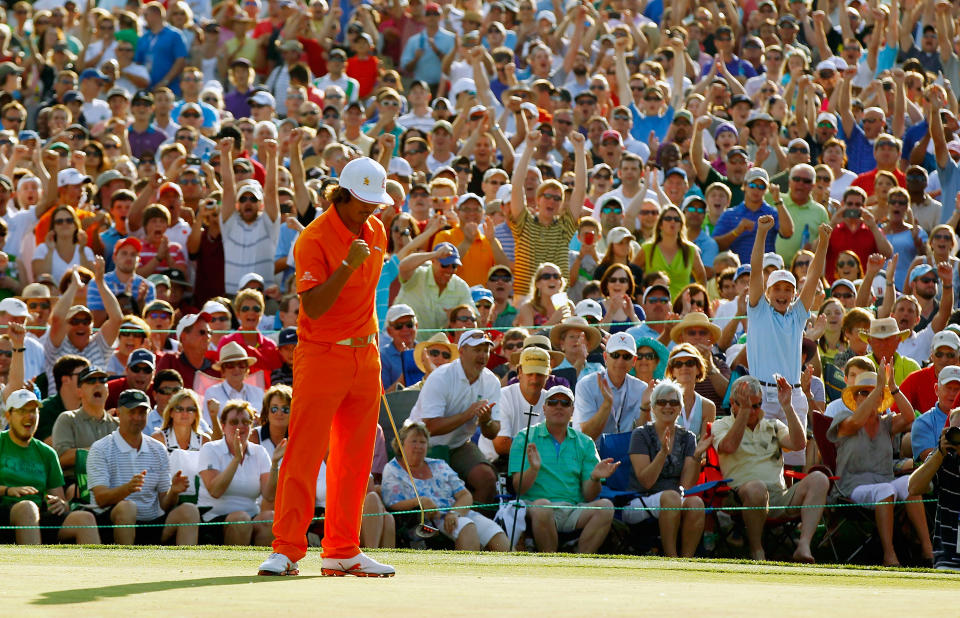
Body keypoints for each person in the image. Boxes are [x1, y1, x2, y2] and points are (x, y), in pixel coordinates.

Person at [261, 157, 395, 578]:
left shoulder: (376, 229)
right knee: (303, 454)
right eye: (362, 203)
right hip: (322, 354)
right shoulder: (313, 238)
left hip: (365, 355)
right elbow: (314, 307)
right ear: (341, 195)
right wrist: (346, 266)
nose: (370, 211)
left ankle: (342, 549)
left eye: (375, 203)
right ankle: (286, 550)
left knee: (354, 461)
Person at [714, 376, 829, 563]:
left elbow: (798, 444)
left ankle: (803, 545)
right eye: (746, 405)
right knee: (756, 488)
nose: (753, 411)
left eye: (757, 405)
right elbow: (729, 446)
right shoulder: (721, 425)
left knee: (819, 478)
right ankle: (757, 551)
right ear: (733, 404)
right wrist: (744, 413)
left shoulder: (772, 425)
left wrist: (787, 406)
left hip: (778, 495)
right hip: (741, 496)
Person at [746, 214, 831, 466]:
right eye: (777, 289)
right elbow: (755, 270)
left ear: (794, 293)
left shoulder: (797, 315)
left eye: (788, 289)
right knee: (759, 462)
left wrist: (823, 243)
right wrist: (761, 233)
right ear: (767, 292)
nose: (782, 293)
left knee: (794, 463)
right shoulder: (758, 309)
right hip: (759, 395)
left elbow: (814, 275)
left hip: (792, 396)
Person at [828, 365, 933, 567]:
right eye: (862, 393)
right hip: (852, 488)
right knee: (886, 489)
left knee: (912, 484)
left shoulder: (886, 423)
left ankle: (928, 551)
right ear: (855, 398)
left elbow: (910, 417)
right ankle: (889, 554)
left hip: (885, 482)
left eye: (872, 392)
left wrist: (892, 387)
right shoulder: (844, 420)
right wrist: (877, 389)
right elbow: (857, 421)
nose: (867, 397)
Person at [509, 385, 619, 553]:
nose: (559, 406)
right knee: (542, 507)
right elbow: (518, 488)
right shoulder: (525, 437)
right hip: (536, 506)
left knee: (606, 507)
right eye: (553, 402)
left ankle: (579, 562)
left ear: (572, 410)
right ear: (544, 408)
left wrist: (595, 478)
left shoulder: (585, 442)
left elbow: (590, 495)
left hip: (573, 509)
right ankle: (552, 563)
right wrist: (533, 469)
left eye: (565, 403)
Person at [87, 389, 200, 545]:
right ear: (118, 414)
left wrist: (173, 491)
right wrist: (127, 489)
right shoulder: (101, 448)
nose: (137, 418)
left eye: (142, 413)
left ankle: (188, 569)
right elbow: (100, 499)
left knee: (189, 510)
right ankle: (126, 564)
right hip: (112, 524)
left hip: (152, 523)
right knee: (128, 507)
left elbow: (164, 504)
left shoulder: (158, 449)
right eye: (132, 412)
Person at [383, 420, 509, 551]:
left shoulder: (439, 465)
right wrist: (420, 502)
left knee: (495, 532)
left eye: (423, 442)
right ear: (401, 444)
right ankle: (469, 571)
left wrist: (454, 513)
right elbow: (391, 503)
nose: (419, 446)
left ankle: (512, 570)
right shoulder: (393, 469)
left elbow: (465, 495)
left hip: (456, 514)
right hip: (425, 523)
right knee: (466, 526)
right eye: (414, 441)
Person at [408, 329, 501, 506]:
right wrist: (469, 414)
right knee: (434, 493)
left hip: (458, 445)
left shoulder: (491, 381)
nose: (483, 355)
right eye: (477, 350)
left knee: (487, 479)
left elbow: (492, 433)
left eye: (486, 350)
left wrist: (486, 421)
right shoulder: (440, 377)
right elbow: (429, 428)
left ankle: (470, 524)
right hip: (422, 444)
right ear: (462, 351)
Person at [625, 380, 705, 557]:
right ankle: (671, 559)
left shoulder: (688, 437)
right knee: (671, 497)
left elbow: (686, 484)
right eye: (662, 402)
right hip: (640, 500)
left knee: (696, 503)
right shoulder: (641, 434)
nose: (668, 406)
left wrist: (697, 456)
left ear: (680, 408)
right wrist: (662, 453)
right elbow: (646, 482)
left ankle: (687, 561)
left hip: (673, 499)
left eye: (674, 402)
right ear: (653, 407)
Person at [199, 400, 279, 546]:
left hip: (250, 516)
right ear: (223, 426)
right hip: (214, 519)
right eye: (234, 422)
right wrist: (237, 459)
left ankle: (263, 568)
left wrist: (274, 465)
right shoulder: (210, 448)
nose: (240, 426)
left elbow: (269, 495)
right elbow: (215, 490)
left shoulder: (259, 451)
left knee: (270, 518)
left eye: (246, 422)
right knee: (241, 520)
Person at [907, 407, 960, 570]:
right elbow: (914, 488)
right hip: (948, 558)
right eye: (954, 431)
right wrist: (939, 453)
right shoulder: (943, 457)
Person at [573, 332, 648, 440]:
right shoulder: (586, 385)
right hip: (591, 453)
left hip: (628, 453)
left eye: (626, 356)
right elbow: (586, 437)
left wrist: (645, 408)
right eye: (615, 355)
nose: (620, 361)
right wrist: (607, 405)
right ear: (605, 357)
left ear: (634, 361)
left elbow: (642, 435)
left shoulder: (642, 389)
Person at [51, 366, 119, 483]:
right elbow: (60, 459)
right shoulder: (67, 419)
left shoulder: (118, 425)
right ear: (79, 391)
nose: (97, 384)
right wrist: (100, 450)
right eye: (91, 381)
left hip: (113, 484)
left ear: (107, 390)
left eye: (102, 380)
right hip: (77, 485)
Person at [664, 345, 717, 440]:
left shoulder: (708, 406)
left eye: (690, 363)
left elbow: (704, 443)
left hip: (695, 454)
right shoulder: (662, 401)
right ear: (672, 372)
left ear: (698, 369)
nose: (684, 367)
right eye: (678, 364)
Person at [911, 366, 960, 461]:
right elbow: (928, 460)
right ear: (936, 389)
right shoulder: (923, 422)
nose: (953, 393)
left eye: (957, 389)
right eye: (948, 388)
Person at [205, 342, 265, 419]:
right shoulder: (212, 393)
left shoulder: (258, 393)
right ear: (222, 371)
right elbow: (209, 425)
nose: (236, 369)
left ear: (247, 370)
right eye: (230, 365)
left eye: (241, 365)